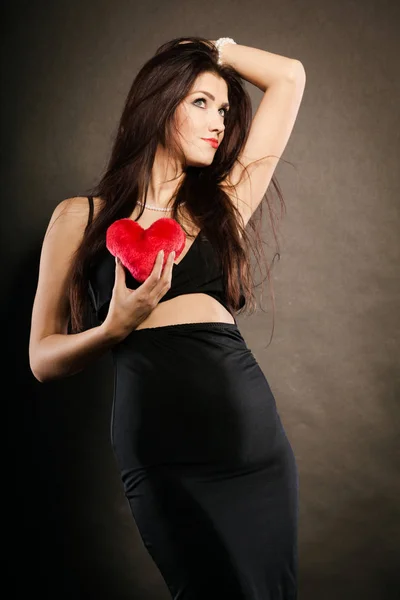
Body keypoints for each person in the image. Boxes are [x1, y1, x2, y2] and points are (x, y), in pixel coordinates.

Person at [29, 36, 306, 599]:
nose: (219, 123)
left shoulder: (223, 203)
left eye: (225, 109)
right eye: (201, 102)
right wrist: (113, 328)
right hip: (159, 450)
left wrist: (211, 50)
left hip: (247, 444)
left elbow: (290, 78)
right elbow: (41, 359)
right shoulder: (77, 218)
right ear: (160, 102)